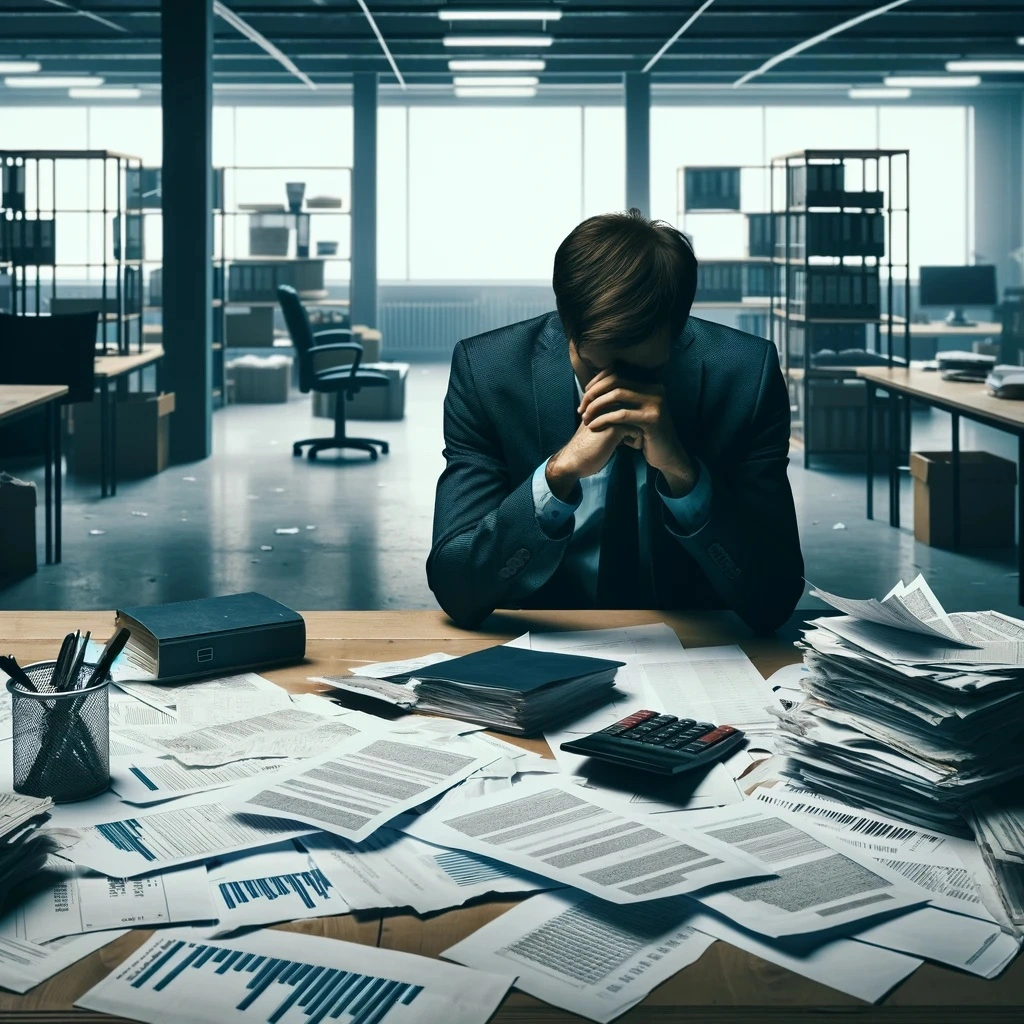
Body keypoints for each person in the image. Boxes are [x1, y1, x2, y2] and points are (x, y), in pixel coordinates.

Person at [427, 208, 804, 631]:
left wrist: (684, 475)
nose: (619, 392)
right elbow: (455, 585)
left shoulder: (745, 376)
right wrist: (558, 474)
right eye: (595, 368)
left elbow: (774, 598)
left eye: (643, 371)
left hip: (695, 645)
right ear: (568, 326)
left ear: (677, 333)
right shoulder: (488, 373)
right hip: (544, 642)